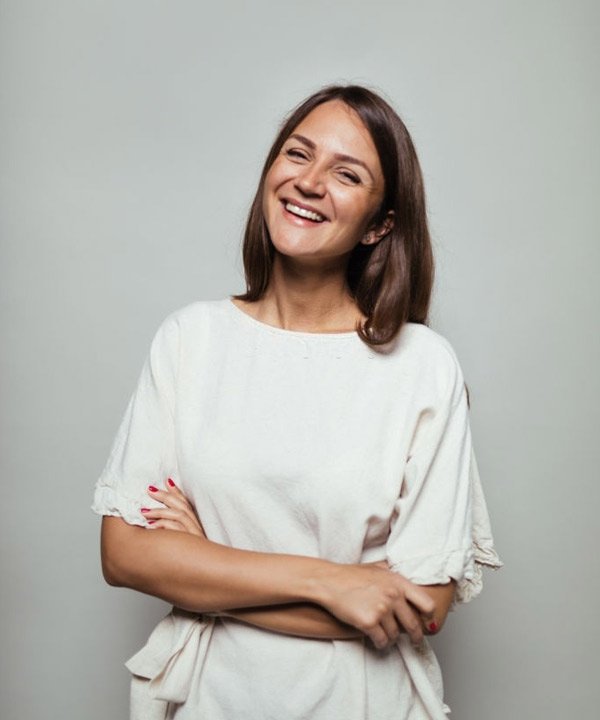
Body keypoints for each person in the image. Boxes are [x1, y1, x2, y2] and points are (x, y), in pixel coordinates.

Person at [92, 84, 502, 720]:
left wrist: (205, 568)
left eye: (346, 174)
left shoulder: (422, 366)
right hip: (209, 701)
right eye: (298, 154)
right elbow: (124, 554)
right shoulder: (191, 340)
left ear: (380, 225)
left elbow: (422, 606)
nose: (309, 182)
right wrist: (332, 581)